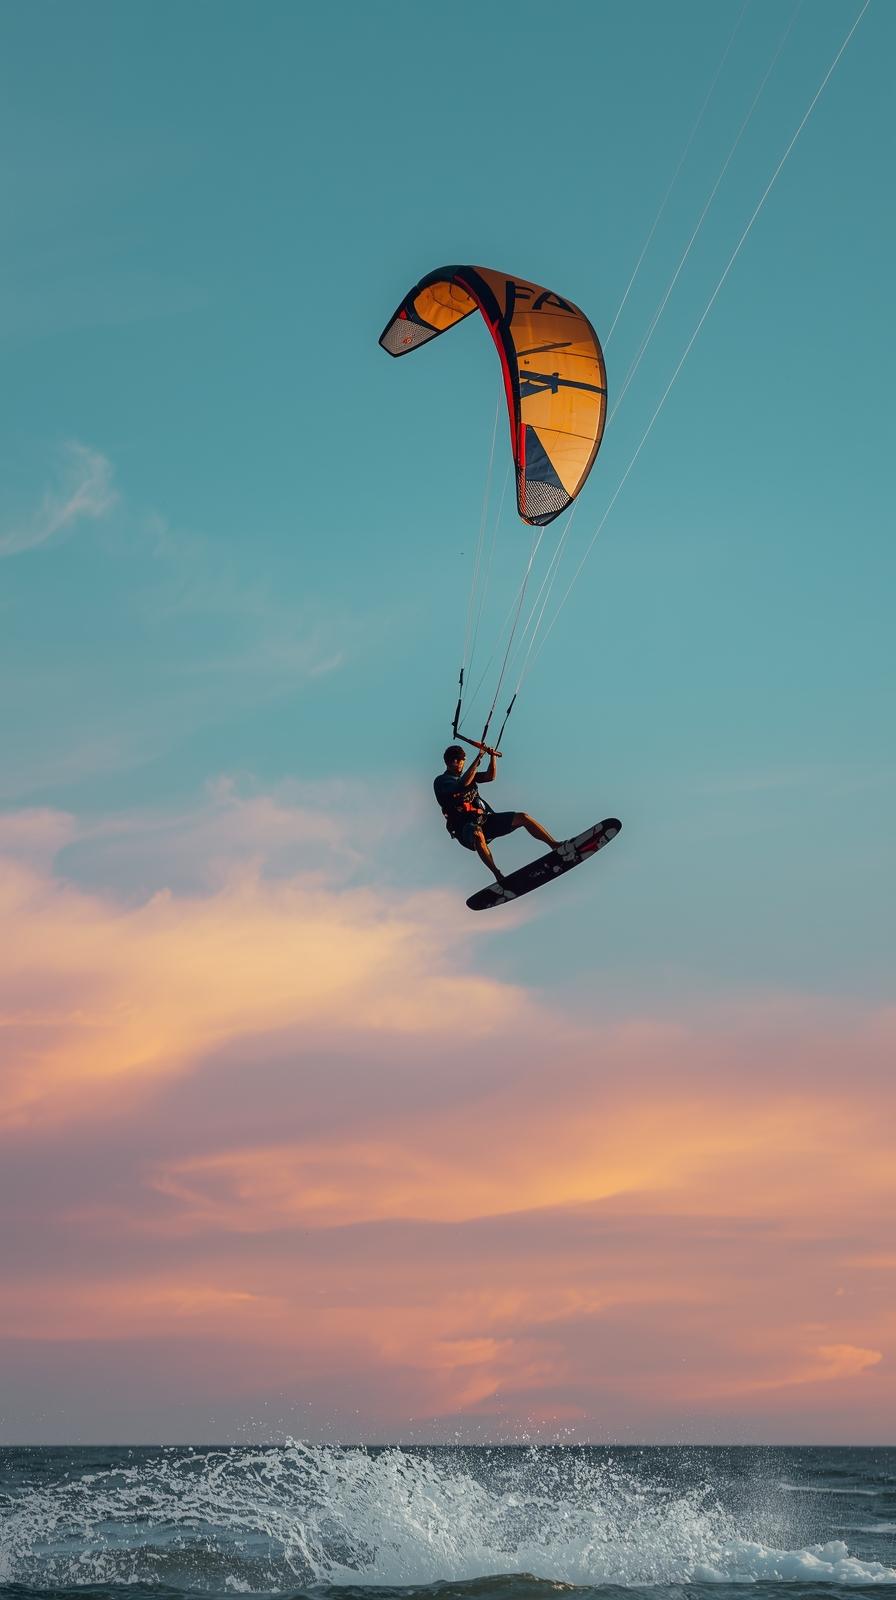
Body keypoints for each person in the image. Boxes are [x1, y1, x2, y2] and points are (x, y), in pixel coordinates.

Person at [433, 743, 565, 887]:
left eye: (461, 760)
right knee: (477, 834)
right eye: (455, 760)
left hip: (485, 820)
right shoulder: (441, 781)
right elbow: (462, 785)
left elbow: (490, 777)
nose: (458, 763)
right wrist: (478, 758)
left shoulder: (470, 775)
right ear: (447, 763)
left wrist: (492, 757)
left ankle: (554, 845)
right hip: (465, 828)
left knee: (523, 817)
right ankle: (498, 874)